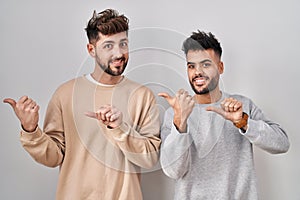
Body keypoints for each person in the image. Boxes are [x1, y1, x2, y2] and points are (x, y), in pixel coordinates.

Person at [3, 9, 161, 200]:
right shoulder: (65, 94)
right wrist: (30, 129)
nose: (119, 53)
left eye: (123, 44)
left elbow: (150, 158)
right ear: (91, 50)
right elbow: (53, 157)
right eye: (108, 46)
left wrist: (120, 129)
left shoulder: (142, 96)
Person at [158, 30, 290, 199]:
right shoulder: (175, 114)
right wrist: (180, 122)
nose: (197, 72)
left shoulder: (242, 106)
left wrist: (244, 122)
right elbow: (173, 171)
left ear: (220, 67)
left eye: (206, 64)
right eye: (192, 66)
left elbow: (282, 143)